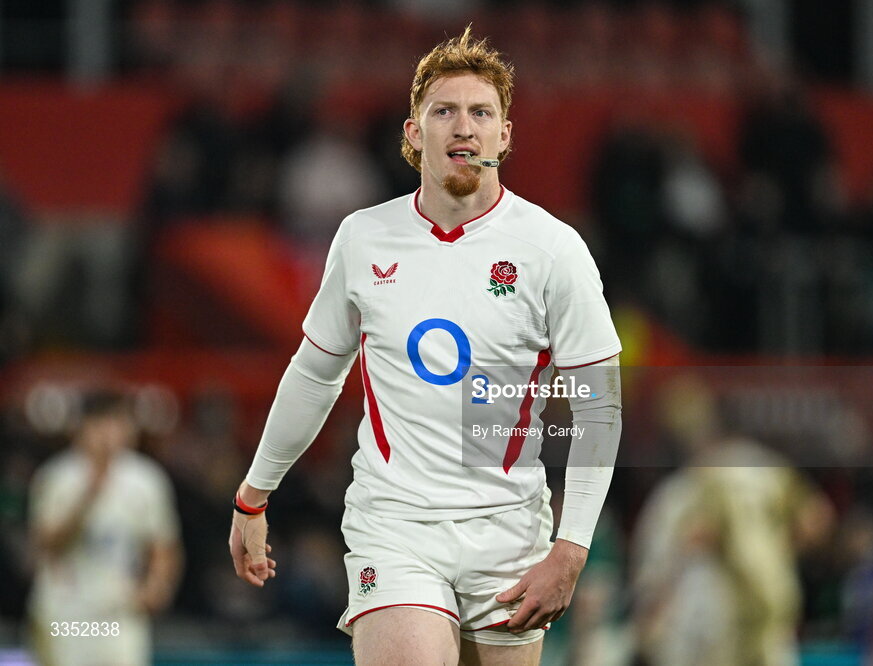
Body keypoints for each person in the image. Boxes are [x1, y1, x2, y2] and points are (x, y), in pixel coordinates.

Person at [229, 26, 622, 665]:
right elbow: (314, 373)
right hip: (396, 525)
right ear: (414, 134)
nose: (462, 127)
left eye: (480, 113)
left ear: (505, 135)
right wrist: (254, 493)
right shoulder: (364, 238)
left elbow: (598, 406)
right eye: (443, 111)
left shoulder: (553, 250)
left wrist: (571, 547)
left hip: (509, 531)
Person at [632, 376, 832, 666]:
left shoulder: (751, 468)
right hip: (712, 628)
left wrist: (771, 549)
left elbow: (816, 519)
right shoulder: (677, 495)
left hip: (750, 620)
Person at [27, 389, 183, 666]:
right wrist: (88, 496)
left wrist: (157, 585)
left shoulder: (145, 480)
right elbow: (45, 544)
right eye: (101, 424)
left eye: (118, 423)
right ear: (82, 428)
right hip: (65, 614)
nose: (109, 433)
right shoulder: (57, 477)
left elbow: (163, 544)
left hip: (119, 613)